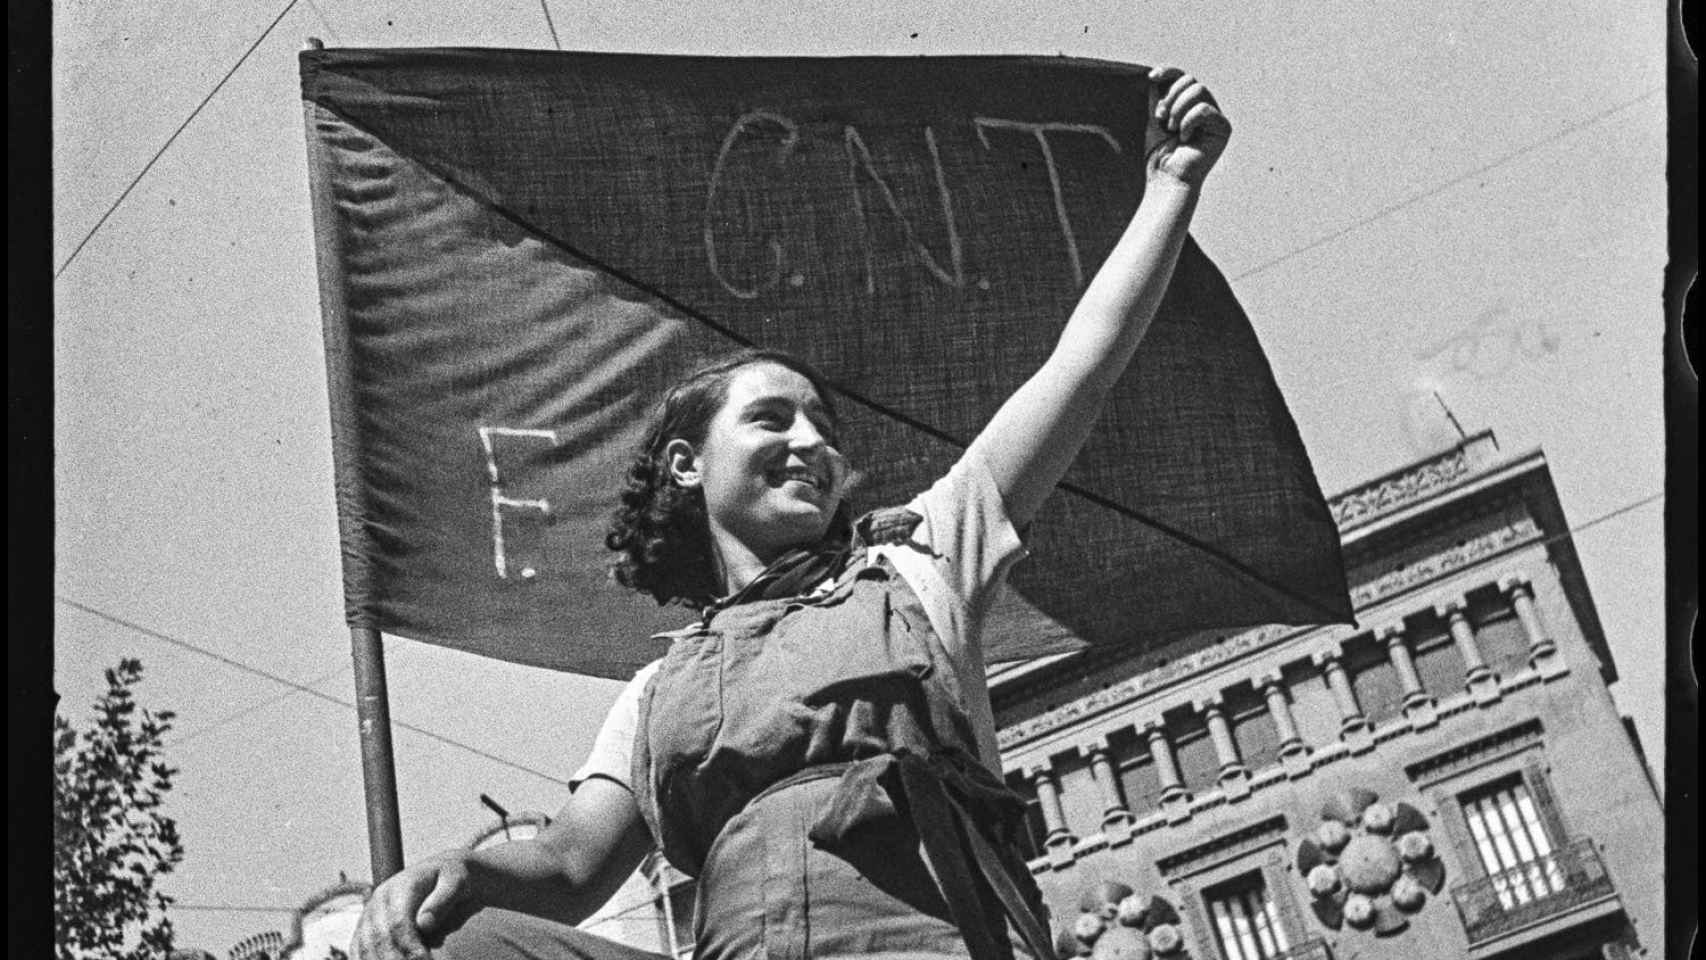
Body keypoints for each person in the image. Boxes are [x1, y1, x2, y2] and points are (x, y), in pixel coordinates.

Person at [354, 65, 1231, 960]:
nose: (810, 441)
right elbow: (571, 864)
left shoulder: (919, 563)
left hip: (932, 946)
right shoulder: (657, 693)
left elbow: (1079, 369)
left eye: (823, 426)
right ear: (688, 465)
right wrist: (458, 876)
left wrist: (1172, 186)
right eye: (772, 418)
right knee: (471, 949)